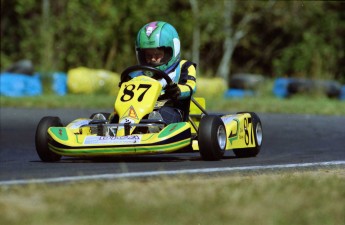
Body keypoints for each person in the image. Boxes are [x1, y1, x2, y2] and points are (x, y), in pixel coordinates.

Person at [133, 21, 197, 124]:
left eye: (157, 54)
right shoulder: (137, 74)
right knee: (114, 117)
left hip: (173, 110)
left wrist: (177, 90)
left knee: (162, 114)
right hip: (141, 112)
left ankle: (152, 128)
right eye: (148, 55)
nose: (153, 59)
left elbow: (191, 87)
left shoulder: (184, 67)